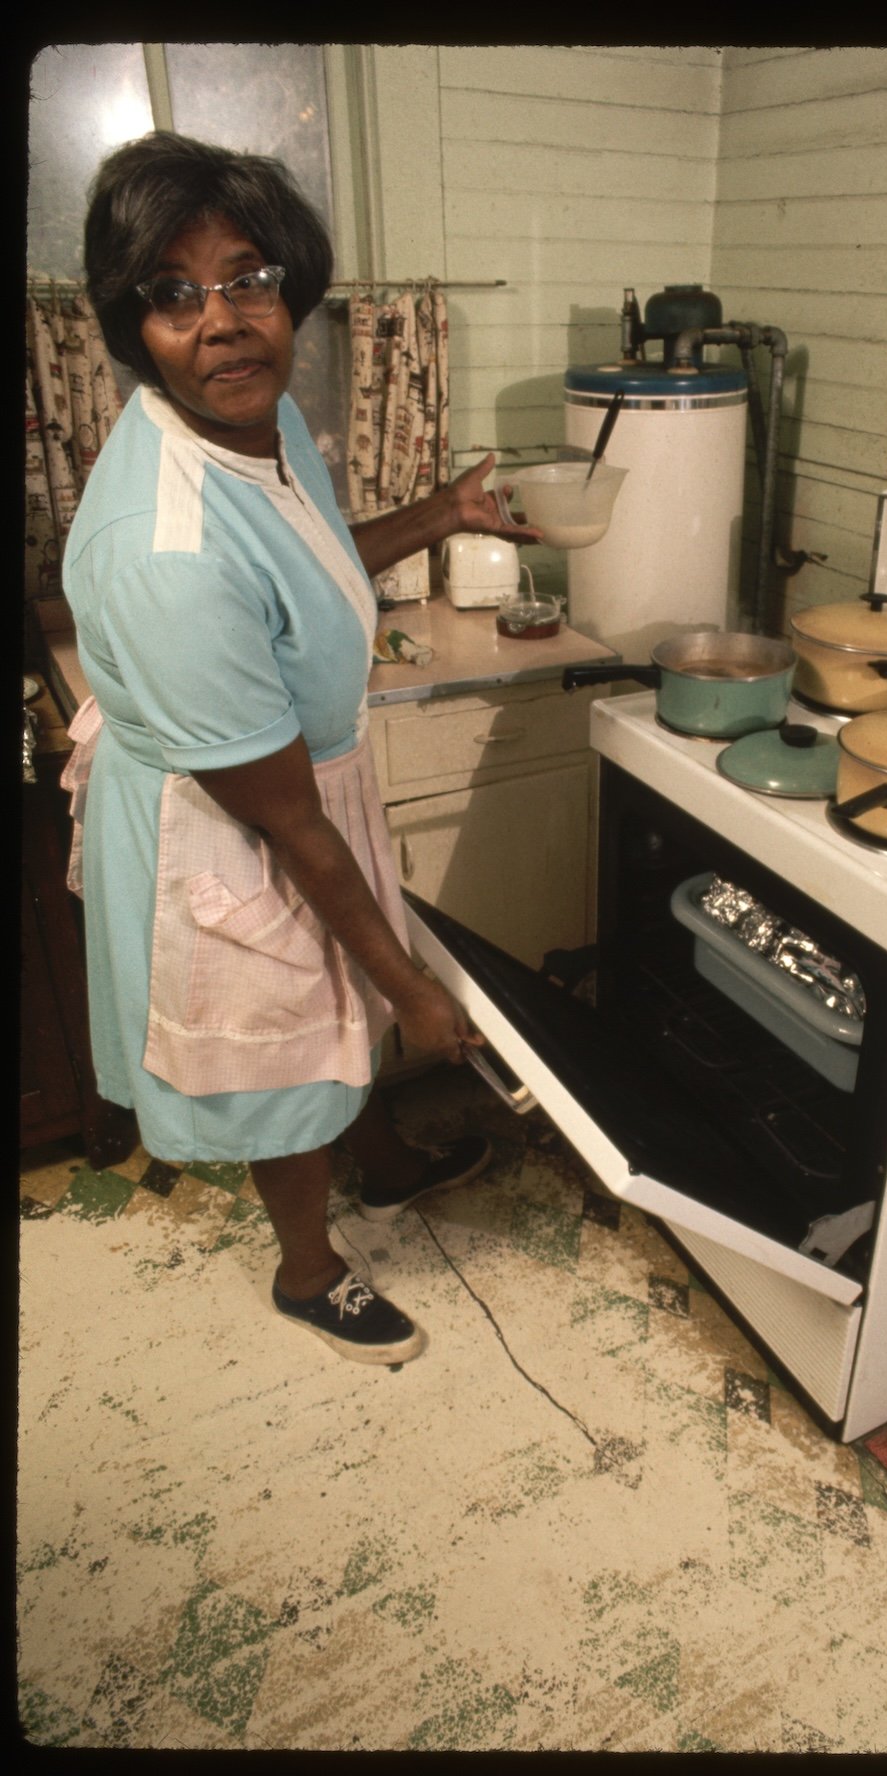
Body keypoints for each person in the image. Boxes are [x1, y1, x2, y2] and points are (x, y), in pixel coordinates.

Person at [62, 131, 540, 1366]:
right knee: (286, 1035)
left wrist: (444, 512)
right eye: (173, 293)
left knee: (330, 1004)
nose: (221, 321)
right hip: (246, 819)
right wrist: (413, 987)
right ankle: (308, 1270)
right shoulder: (166, 548)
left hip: (296, 786)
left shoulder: (254, 429)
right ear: (129, 325)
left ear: (292, 294)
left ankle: (377, 1163)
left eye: (248, 278)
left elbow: (319, 564)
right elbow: (284, 823)